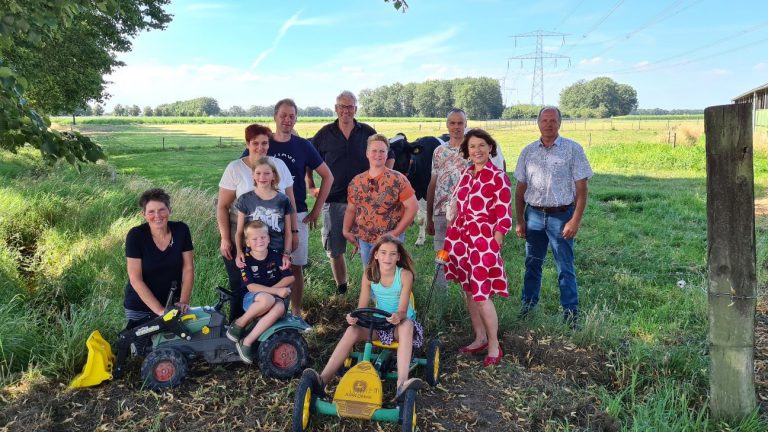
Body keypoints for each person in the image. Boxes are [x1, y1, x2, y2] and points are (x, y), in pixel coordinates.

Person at [302, 235, 424, 399]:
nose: (387, 258)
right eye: (383, 253)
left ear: (398, 257)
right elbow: (362, 308)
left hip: (399, 325)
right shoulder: (369, 275)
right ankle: (322, 379)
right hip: (379, 324)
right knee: (352, 330)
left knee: (407, 325)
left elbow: (402, 311)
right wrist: (353, 317)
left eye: (392, 254)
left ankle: (401, 384)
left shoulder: (404, 275)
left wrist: (398, 317)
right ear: (376, 255)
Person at [514, 106, 593, 326]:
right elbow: (520, 189)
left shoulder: (572, 149)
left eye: (553, 120)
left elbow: (582, 188)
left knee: (564, 266)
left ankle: (570, 313)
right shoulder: (528, 151)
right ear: (538, 123)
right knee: (532, 263)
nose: (549, 124)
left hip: (561, 215)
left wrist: (575, 220)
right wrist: (520, 220)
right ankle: (528, 307)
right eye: (545, 120)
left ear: (560, 123)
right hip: (535, 216)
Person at [311, 90, 394, 295]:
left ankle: (375, 291)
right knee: (335, 248)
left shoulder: (367, 132)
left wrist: (384, 180)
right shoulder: (324, 134)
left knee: (373, 248)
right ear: (336, 108)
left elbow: (389, 154)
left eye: (350, 107)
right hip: (334, 200)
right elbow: (309, 159)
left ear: (356, 109)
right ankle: (342, 288)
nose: (346, 110)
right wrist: (310, 185)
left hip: (367, 203)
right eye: (342, 106)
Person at [443, 128, 512, 367]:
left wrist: (495, 244)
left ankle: (494, 345)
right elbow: (456, 208)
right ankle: (479, 337)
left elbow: (504, 216)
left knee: (482, 294)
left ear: (490, 147)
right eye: (472, 146)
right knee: (469, 291)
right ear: (467, 151)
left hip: (483, 242)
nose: (477, 150)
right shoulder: (466, 174)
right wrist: (450, 240)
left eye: (482, 145)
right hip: (461, 239)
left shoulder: (498, 177)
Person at [218, 124, 297, 322]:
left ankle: (268, 332)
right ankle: (237, 326)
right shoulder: (235, 168)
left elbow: (290, 203)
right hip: (246, 244)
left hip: (275, 245)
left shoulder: (278, 166)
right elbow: (222, 206)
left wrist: (294, 232)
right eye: (255, 143)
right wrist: (225, 239)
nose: (260, 147)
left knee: (276, 286)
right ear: (247, 144)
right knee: (242, 286)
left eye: (264, 143)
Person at [267, 98, 333, 315]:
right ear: (275, 117)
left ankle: (296, 313)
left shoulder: (303, 146)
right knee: (269, 265)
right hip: (266, 214)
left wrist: (316, 210)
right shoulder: (265, 143)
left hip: (297, 213)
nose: (287, 120)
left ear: (296, 119)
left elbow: (327, 176)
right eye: (283, 115)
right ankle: (270, 312)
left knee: (295, 266)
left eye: (292, 116)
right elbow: (245, 167)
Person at [343, 133, 418, 267]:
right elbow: (351, 209)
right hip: (365, 239)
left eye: (382, 151)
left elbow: (412, 207)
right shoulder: (357, 181)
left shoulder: (398, 179)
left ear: (387, 154)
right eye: (374, 151)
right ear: (367, 153)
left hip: (390, 240)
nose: (378, 154)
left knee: (390, 276)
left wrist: (396, 233)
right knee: (370, 273)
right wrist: (345, 230)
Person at [226, 221, 294, 364]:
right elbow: (252, 288)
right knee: (267, 299)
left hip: (272, 297)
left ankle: (247, 342)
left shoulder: (276, 256)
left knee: (280, 307)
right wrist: (277, 291)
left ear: (269, 238)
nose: (260, 241)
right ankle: (239, 324)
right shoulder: (246, 260)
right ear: (248, 242)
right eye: (255, 239)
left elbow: (290, 277)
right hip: (252, 299)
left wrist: (276, 291)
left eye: (263, 237)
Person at [125, 188, 194, 329]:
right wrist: (161, 312)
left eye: (162, 209)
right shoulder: (136, 235)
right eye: (151, 211)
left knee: (174, 348)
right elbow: (135, 279)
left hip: (172, 304)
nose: (157, 215)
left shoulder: (181, 230)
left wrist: (183, 301)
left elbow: (188, 268)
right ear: (143, 214)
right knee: (144, 349)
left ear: (170, 210)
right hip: (141, 306)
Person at [426, 108, 470, 290]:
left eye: (460, 123)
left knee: (466, 260)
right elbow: (433, 183)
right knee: (441, 259)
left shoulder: (473, 149)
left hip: (467, 215)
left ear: (466, 125)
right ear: (447, 125)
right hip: (441, 213)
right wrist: (429, 217)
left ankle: (468, 302)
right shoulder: (439, 151)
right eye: (452, 123)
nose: (456, 127)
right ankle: (440, 304)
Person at [234, 157, 293, 270]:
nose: (262, 177)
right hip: (253, 256)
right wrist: (239, 252)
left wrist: (286, 254)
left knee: (281, 284)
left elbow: (288, 232)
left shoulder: (283, 200)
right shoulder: (245, 200)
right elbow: (239, 232)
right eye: (258, 173)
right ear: (253, 175)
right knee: (255, 286)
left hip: (277, 254)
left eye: (267, 173)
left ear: (274, 175)